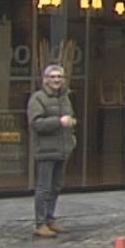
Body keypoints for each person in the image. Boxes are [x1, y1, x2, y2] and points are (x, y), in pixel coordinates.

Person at [27, 64, 76, 238]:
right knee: (44, 188)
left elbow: (68, 117)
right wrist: (59, 122)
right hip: (46, 149)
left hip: (62, 148)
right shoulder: (38, 99)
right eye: (53, 77)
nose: (56, 80)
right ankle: (40, 223)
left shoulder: (65, 97)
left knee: (56, 186)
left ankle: (50, 218)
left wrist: (71, 136)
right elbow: (36, 123)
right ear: (45, 79)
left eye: (59, 77)